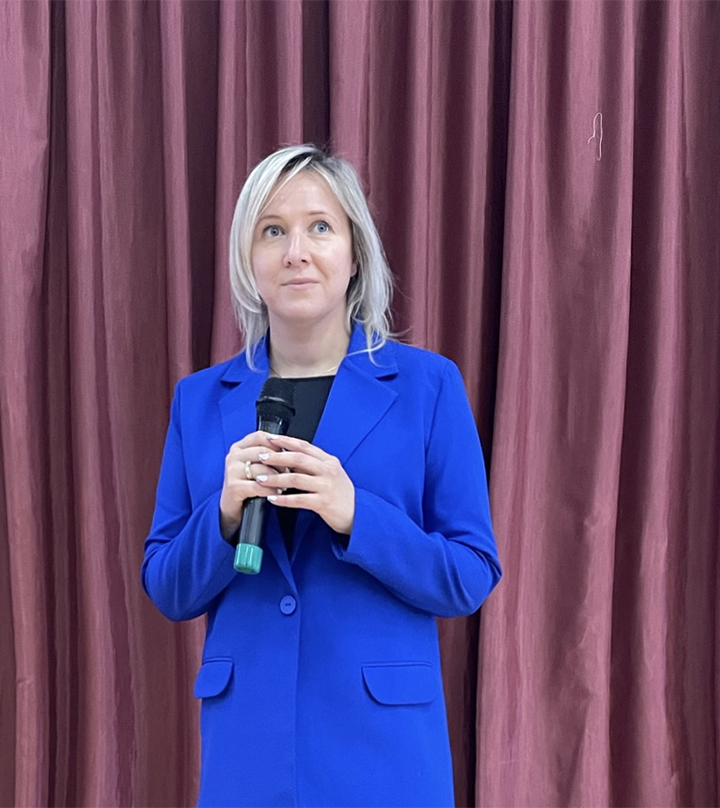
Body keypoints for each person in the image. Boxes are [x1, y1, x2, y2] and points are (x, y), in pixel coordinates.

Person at [142, 144, 501, 807]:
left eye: (320, 227)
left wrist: (356, 513)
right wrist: (223, 515)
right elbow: (166, 585)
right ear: (248, 260)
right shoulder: (200, 400)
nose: (296, 252)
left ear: (354, 253)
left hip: (384, 754)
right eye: (272, 231)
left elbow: (470, 574)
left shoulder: (427, 387)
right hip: (249, 752)